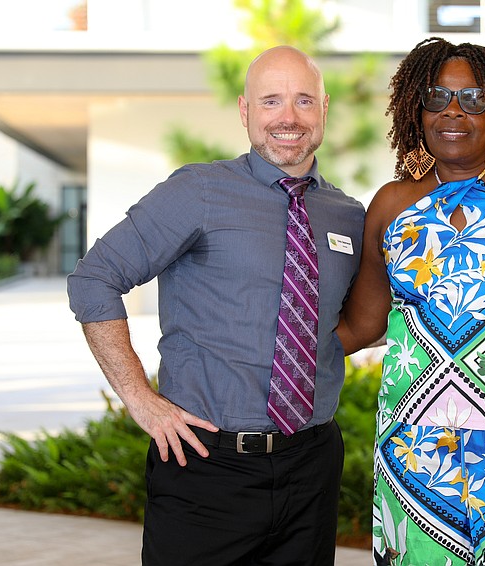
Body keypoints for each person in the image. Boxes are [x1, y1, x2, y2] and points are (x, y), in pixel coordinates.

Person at [67, 45, 365, 565]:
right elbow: (95, 279)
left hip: (312, 466)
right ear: (245, 112)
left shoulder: (346, 215)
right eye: (270, 102)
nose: (288, 118)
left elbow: (353, 320)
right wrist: (140, 399)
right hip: (204, 467)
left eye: (303, 101)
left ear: (324, 108)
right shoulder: (199, 191)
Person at [336, 37, 485, 565]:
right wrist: (259, 341)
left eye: (473, 99)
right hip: (413, 452)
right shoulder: (392, 204)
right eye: (438, 97)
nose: (453, 112)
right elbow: (359, 327)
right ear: (415, 110)